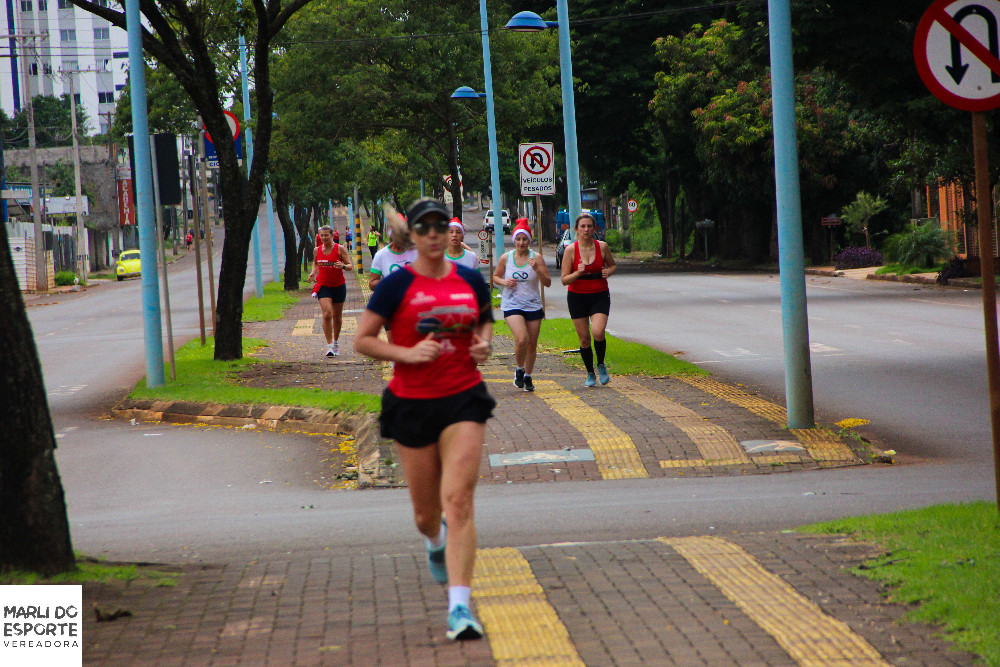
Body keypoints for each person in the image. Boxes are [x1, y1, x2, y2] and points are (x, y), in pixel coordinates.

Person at [354, 197, 494, 641]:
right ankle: (434, 543)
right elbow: (363, 339)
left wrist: (484, 344)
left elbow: (485, 322)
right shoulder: (396, 286)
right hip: (411, 401)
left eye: (440, 226)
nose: (434, 234)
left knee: (458, 501)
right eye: (425, 227)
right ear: (412, 236)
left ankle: (459, 609)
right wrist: (408, 354)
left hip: (462, 397)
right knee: (425, 514)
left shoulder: (471, 279)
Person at [492, 218, 550, 392]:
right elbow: (495, 277)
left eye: (524, 239)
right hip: (512, 304)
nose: (521, 242)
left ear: (529, 241)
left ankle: (528, 376)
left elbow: (547, 282)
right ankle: (519, 368)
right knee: (522, 339)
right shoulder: (506, 258)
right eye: (518, 239)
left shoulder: (536, 258)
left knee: (532, 343)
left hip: (533, 304)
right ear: (514, 240)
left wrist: (537, 269)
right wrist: (504, 281)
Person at [560, 212, 617, 387]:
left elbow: (613, 264)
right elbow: (564, 280)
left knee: (598, 332)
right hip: (577, 297)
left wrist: (609, 271)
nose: (586, 229)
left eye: (589, 226)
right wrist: (577, 273)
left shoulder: (602, 247)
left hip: (599, 294)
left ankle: (601, 364)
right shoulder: (570, 250)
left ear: (594, 228)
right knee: (584, 339)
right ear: (576, 229)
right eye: (582, 226)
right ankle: (590, 373)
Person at [308, 225, 353, 357]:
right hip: (323, 285)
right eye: (321, 235)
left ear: (332, 235)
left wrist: (343, 266)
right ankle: (329, 346)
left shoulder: (340, 249)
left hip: (338, 285)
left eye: (326, 235)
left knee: (337, 316)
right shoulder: (317, 250)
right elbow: (316, 263)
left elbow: (350, 266)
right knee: (327, 314)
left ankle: (335, 342)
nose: (324, 238)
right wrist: (313, 272)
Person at [369, 225, 417, 291]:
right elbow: (372, 284)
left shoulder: (417, 252)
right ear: (391, 234)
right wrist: (390, 281)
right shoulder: (381, 255)